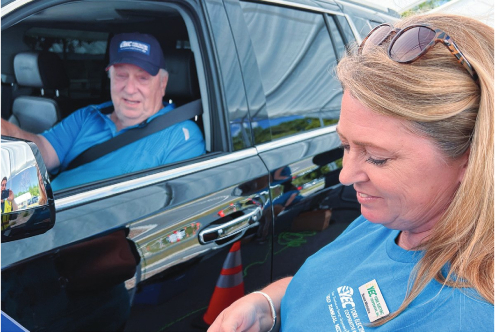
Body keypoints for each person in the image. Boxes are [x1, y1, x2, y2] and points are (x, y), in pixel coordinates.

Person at [208, 13, 493, 331]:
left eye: (377, 157)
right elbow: (329, 287)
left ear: (470, 159)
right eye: (345, 145)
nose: (346, 176)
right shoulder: (391, 219)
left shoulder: (464, 316)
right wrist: (264, 307)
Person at [1, 32, 205, 191]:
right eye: (122, 75)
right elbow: (42, 151)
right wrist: (7, 131)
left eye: (142, 78)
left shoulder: (182, 136)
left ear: (162, 84)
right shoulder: (87, 116)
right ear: (110, 77)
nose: (130, 88)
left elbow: (162, 211)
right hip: (40, 222)